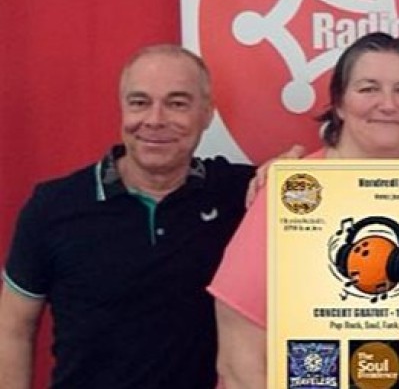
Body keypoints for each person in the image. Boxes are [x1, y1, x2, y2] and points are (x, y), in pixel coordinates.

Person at [209, 32, 399, 388]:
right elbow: (239, 355)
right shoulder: (296, 189)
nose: (388, 104)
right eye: (368, 88)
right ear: (339, 104)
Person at [0, 44, 254, 388]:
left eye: (177, 104)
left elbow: (311, 190)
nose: (155, 120)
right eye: (139, 102)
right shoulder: (53, 206)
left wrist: (286, 171)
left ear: (207, 113)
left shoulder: (242, 194)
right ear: (122, 108)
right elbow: (12, 327)